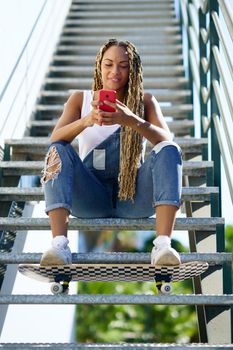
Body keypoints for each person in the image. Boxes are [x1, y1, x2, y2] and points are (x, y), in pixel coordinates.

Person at [40, 38, 182, 266]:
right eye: (108, 64)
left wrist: (131, 120)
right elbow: (55, 139)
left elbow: (168, 142)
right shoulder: (81, 99)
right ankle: (59, 246)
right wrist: (86, 121)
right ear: (99, 65)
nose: (115, 72)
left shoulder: (145, 101)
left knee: (168, 149)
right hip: (90, 196)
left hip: (133, 197)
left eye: (123, 66)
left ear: (132, 69)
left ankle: (163, 246)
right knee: (57, 149)